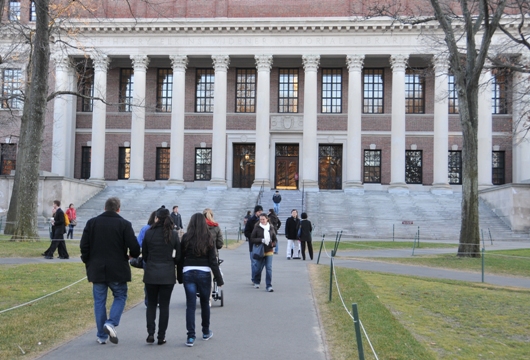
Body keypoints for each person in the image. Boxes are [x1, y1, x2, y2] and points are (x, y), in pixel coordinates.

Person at [80, 197, 140, 345]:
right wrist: (132, 255)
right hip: (117, 267)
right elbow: (134, 248)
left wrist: (88, 260)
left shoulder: (92, 223)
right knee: (120, 296)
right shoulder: (124, 224)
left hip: (97, 267)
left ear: (104, 208)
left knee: (99, 301)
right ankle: (111, 322)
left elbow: (84, 246)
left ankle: (101, 335)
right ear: (118, 209)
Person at [178, 213, 224, 347]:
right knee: (205, 303)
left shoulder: (186, 237)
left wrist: (179, 277)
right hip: (204, 271)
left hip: (188, 271)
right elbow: (212, 261)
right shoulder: (208, 237)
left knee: (190, 305)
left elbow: (181, 259)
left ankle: (190, 336)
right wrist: (219, 279)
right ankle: (205, 331)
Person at [142, 207, 180, 345]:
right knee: (164, 306)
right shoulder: (173, 234)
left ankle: (150, 332)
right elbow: (179, 256)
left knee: (151, 304)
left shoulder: (149, 233)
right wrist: (171, 262)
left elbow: (145, 255)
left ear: (156, 218)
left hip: (151, 272)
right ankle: (161, 336)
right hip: (167, 273)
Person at [250, 213, 278, 292]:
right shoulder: (257, 228)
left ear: (267, 219)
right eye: (260, 219)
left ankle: (269, 285)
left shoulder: (271, 227)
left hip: (269, 250)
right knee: (258, 268)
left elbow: (275, 238)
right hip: (260, 250)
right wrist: (261, 240)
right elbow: (252, 239)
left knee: (268, 268)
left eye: (263, 219)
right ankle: (257, 281)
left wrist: (274, 243)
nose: (262, 221)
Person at [244, 205, 263, 284]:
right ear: (256, 212)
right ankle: (254, 278)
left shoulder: (263, 220)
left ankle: (257, 277)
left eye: (261, 212)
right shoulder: (251, 220)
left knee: (260, 263)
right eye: (259, 212)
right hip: (253, 244)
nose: (260, 213)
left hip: (261, 244)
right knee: (254, 262)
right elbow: (246, 232)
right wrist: (252, 237)